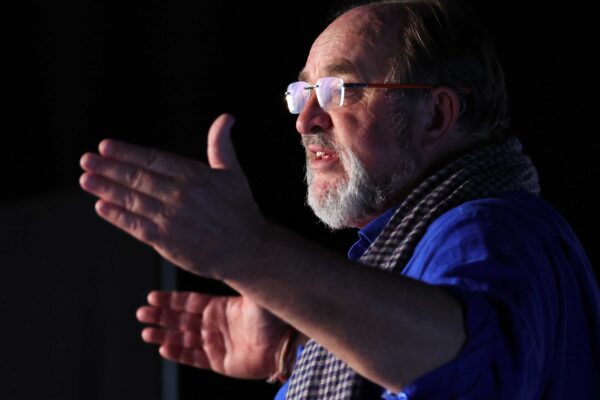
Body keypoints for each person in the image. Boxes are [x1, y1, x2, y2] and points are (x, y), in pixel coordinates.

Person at [79, 0, 600, 398]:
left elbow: (461, 359)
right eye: (302, 94)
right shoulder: (406, 255)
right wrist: (295, 351)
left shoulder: (490, 229)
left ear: (436, 116)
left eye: (340, 90)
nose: (305, 121)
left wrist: (252, 252)